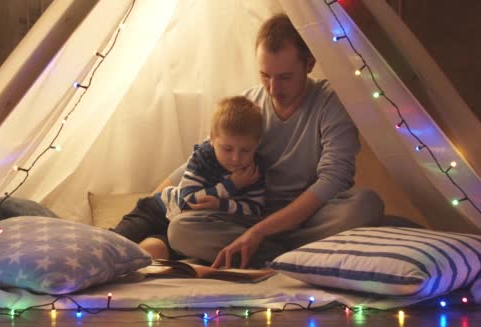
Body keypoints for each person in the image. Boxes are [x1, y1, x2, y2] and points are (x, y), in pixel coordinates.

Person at [165, 13, 384, 268]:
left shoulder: (330, 102)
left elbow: (334, 180)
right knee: (181, 229)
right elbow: (207, 153)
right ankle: (296, 258)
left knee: (365, 204)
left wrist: (259, 233)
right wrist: (151, 202)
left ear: (309, 63)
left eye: (285, 77)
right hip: (252, 215)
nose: (273, 88)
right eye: (265, 75)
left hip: (310, 218)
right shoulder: (251, 103)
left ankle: (267, 253)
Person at [111, 96, 266, 259]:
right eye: (227, 149)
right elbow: (189, 200)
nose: (236, 158)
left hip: (185, 228)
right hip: (159, 210)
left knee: (149, 253)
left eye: (245, 150)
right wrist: (232, 185)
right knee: (116, 242)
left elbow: (254, 210)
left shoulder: (254, 170)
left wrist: (220, 204)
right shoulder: (204, 157)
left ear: (256, 145)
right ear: (212, 139)